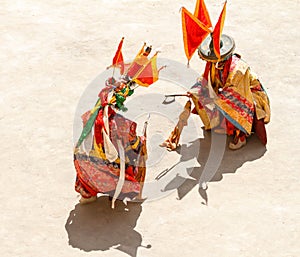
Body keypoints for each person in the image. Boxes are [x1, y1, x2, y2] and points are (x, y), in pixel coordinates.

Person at [161, 34, 270, 150]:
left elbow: (237, 94)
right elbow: (205, 81)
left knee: (230, 104)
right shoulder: (214, 64)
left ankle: (240, 135)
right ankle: (220, 125)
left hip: (248, 94)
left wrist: (215, 97)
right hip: (229, 92)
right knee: (200, 95)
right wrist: (195, 90)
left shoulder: (238, 70)